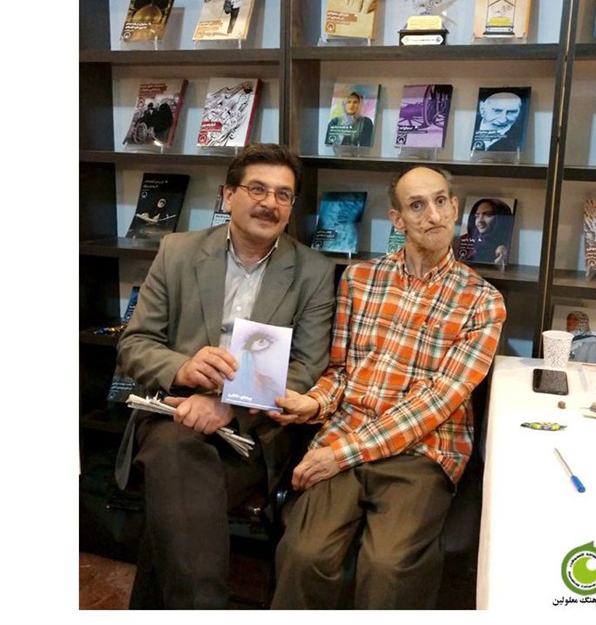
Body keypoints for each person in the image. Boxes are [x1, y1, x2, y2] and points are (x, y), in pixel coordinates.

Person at [269, 165, 506, 609]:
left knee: (388, 565)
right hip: (346, 433)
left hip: (423, 451)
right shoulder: (359, 280)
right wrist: (313, 403)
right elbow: (340, 372)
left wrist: (342, 452)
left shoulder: (483, 301)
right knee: (304, 554)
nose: (433, 215)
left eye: (441, 201)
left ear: (455, 208)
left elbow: (437, 402)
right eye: (417, 205)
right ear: (397, 219)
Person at [114, 143, 336, 609]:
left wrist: (228, 405)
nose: (269, 203)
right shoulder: (178, 252)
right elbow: (135, 344)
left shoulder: (313, 272)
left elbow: (306, 367)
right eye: (257, 189)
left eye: (283, 195)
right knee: (177, 456)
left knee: (176, 499)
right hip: (174, 415)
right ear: (229, 195)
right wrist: (182, 367)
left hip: (251, 434)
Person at [457, 197, 514, 266]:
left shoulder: (510, 245)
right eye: (477, 216)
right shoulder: (463, 241)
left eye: (488, 215)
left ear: (501, 218)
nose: (480, 221)